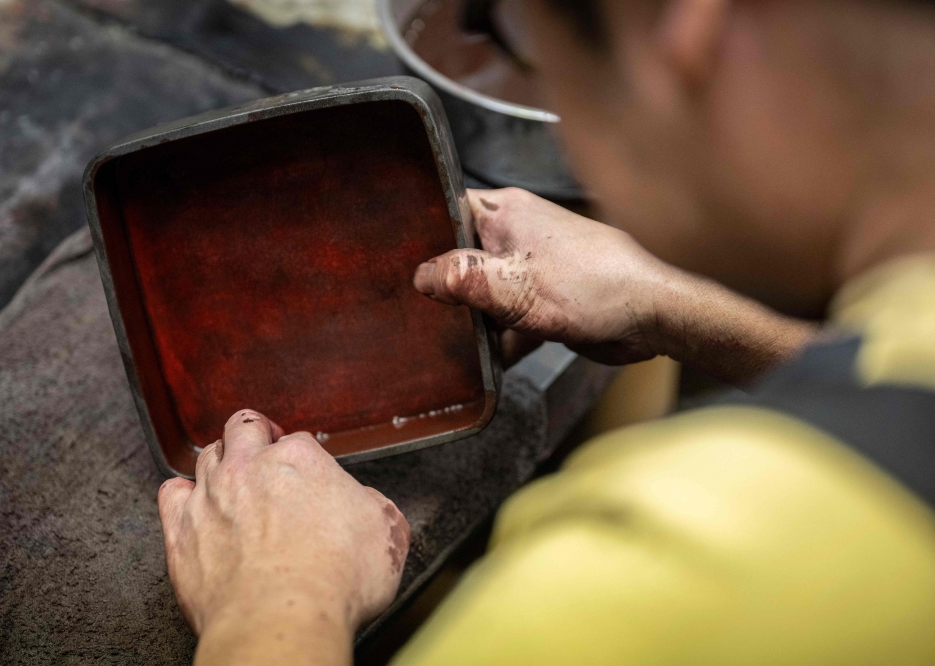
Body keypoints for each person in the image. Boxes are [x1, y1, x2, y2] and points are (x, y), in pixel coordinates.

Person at [156, 0, 935, 663]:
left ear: (683, 23)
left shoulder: (668, 574)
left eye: (519, 41)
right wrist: (671, 304)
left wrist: (271, 602)